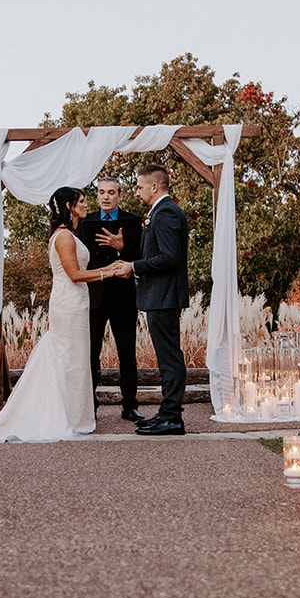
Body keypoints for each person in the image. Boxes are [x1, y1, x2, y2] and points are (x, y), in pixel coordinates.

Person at [0, 187, 108, 441]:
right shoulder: (64, 237)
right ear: (70, 207)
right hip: (68, 303)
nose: (85, 205)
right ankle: (63, 415)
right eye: (81, 201)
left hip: (76, 302)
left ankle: (73, 414)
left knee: (75, 357)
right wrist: (108, 272)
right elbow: (74, 274)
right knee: (69, 357)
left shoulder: (68, 234)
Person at [105, 165, 190, 436]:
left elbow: (170, 257)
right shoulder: (160, 212)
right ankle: (167, 412)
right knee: (166, 358)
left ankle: (172, 418)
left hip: (164, 296)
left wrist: (133, 267)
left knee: (170, 358)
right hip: (159, 295)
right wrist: (129, 256)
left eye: (140, 186)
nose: (137, 192)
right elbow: (156, 252)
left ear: (155, 186)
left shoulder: (166, 213)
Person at [76, 176, 143, 422]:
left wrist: (122, 247)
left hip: (123, 295)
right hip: (94, 295)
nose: (106, 196)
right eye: (102, 192)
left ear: (120, 195)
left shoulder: (133, 222)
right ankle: (89, 405)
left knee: (127, 352)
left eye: (111, 192)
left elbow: (141, 257)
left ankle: (130, 405)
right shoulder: (85, 222)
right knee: (90, 352)